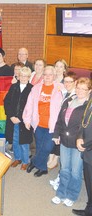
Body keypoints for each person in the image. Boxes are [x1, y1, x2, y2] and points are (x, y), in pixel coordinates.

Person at [51, 77, 91, 207]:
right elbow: (60, 120)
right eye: (78, 87)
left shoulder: (88, 107)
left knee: (75, 171)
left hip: (77, 144)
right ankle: (61, 193)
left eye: (83, 89)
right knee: (64, 169)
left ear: (89, 91)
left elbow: (86, 127)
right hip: (64, 140)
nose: (80, 91)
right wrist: (56, 134)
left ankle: (72, 195)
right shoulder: (69, 100)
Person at [23, 66, 64, 177]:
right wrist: (27, 119)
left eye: (50, 74)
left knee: (47, 147)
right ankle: (42, 167)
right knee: (40, 146)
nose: (47, 77)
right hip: (39, 123)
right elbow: (29, 104)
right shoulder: (36, 88)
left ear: (54, 76)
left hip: (53, 125)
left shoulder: (60, 88)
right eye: (45, 74)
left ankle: (34, 162)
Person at [4, 67, 33, 170]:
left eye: (26, 76)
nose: (24, 78)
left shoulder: (32, 89)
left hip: (24, 120)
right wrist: (11, 116)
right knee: (15, 140)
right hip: (13, 119)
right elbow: (7, 102)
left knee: (24, 142)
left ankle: (25, 161)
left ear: (29, 77)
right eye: (22, 76)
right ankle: (18, 158)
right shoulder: (13, 87)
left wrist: (21, 118)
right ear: (18, 76)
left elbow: (31, 106)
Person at [72, 92, 92, 215]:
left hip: (89, 147)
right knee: (89, 183)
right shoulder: (90, 97)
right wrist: (79, 137)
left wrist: (86, 144)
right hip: (87, 151)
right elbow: (84, 120)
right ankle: (89, 210)